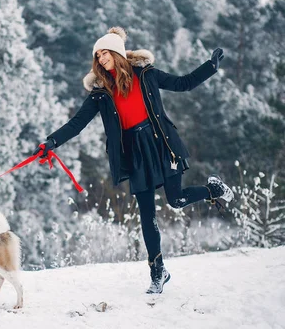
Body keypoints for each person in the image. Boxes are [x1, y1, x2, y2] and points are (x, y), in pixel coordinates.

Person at [33, 27, 234, 294]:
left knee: (176, 200)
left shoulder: (146, 75)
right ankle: (158, 271)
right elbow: (77, 123)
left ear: (116, 52)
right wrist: (51, 142)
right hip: (135, 154)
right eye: (97, 55)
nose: (101, 58)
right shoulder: (100, 93)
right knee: (147, 214)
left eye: (105, 52)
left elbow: (182, 83)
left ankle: (214, 190)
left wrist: (210, 67)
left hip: (162, 144)